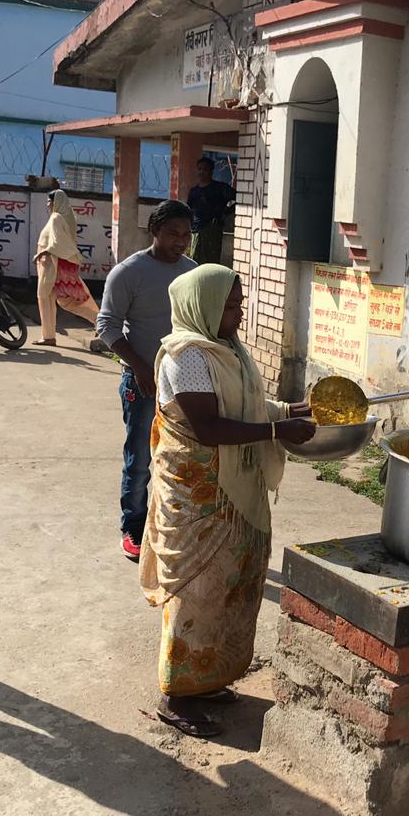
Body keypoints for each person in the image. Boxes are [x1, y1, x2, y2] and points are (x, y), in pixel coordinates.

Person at [141, 264, 316, 737]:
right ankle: (177, 695)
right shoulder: (187, 356)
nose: (239, 313)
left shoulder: (227, 350)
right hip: (199, 494)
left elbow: (244, 405)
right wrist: (277, 430)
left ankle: (207, 680)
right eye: (230, 305)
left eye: (239, 303)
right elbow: (210, 428)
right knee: (199, 590)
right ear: (203, 305)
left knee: (230, 587)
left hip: (232, 494)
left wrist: (289, 410)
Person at [96, 200, 200, 561]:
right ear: (155, 230)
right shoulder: (128, 273)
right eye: (173, 233)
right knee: (140, 458)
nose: (181, 241)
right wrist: (141, 367)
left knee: (180, 457)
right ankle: (134, 527)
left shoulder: (192, 274)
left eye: (186, 234)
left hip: (185, 382)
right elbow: (106, 326)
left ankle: (172, 523)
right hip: (141, 383)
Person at [33, 189, 99, 347]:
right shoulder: (67, 217)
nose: (48, 205)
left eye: (50, 202)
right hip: (59, 266)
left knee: (47, 298)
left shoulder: (56, 218)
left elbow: (58, 244)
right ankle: (101, 322)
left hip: (53, 267)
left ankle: (48, 337)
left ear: (57, 202)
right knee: (69, 301)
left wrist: (41, 253)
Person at [186, 156, 235, 266]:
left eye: (205, 169)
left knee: (210, 263)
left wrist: (225, 213)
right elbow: (188, 210)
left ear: (211, 171)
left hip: (213, 230)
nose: (201, 172)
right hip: (196, 231)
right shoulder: (194, 191)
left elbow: (240, 198)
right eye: (199, 169)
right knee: (194, 262)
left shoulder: (220, 188)